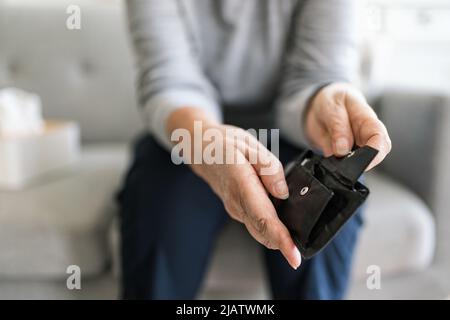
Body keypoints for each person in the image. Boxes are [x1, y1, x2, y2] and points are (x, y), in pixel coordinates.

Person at [118, 0, 392, 299]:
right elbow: (170, 80)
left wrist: (326, 98)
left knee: (326, 218)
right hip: (191, 132)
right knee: (159, 208)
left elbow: (317, 74)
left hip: (294, 135)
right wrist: (207, 139)